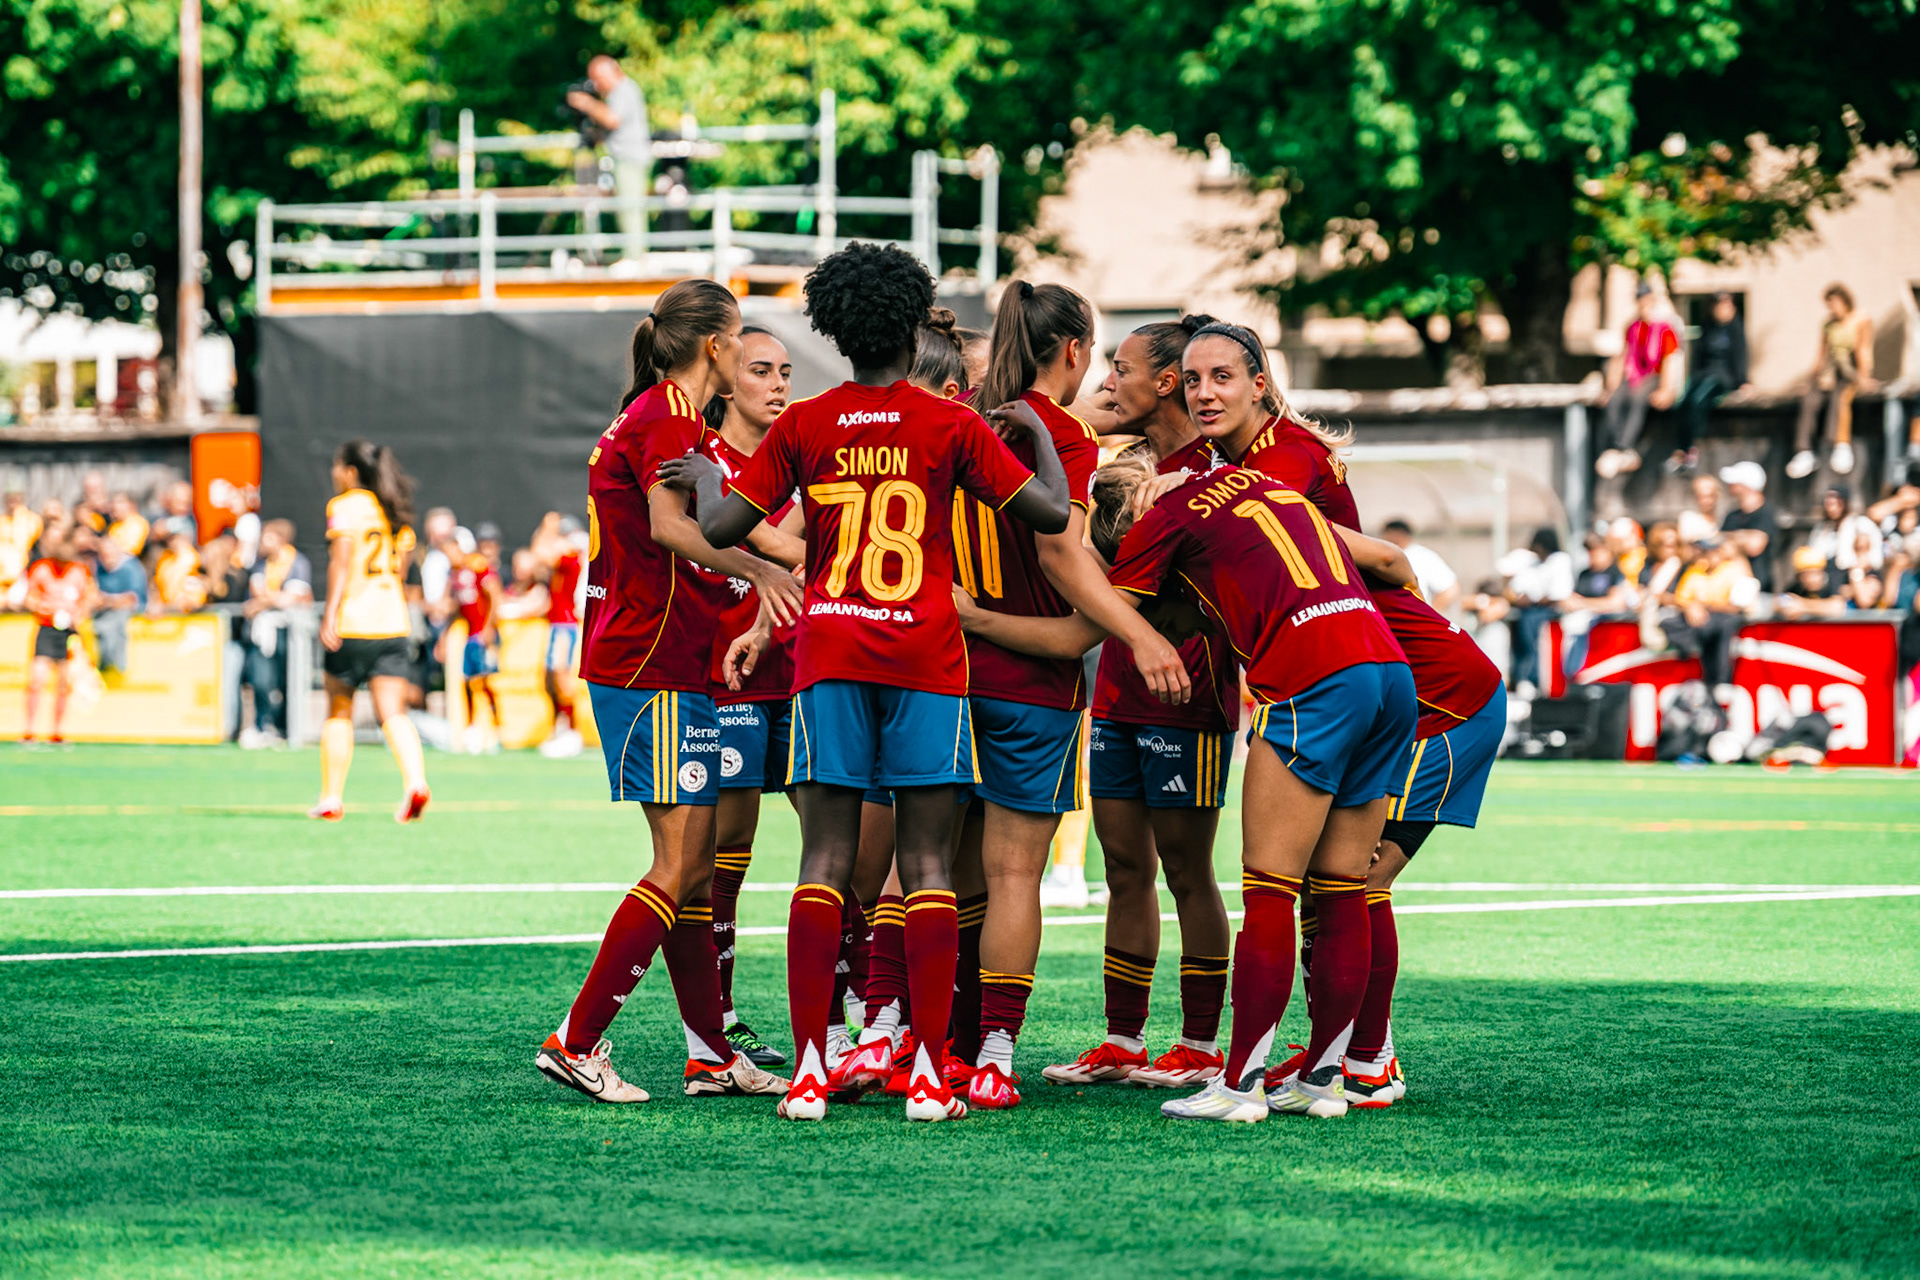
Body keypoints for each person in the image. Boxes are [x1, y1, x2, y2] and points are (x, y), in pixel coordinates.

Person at [660, 243, 1074, 1123]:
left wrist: (705, 474)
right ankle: (930, 1072)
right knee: (924, 864)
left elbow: (730, 523)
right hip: (926, 659)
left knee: (824, 862)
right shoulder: (951, 424)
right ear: (912, 316)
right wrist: (1037, 434)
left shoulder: (805, 423)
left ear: (832, 327)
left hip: (833, 656)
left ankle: (811, 1072)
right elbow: (1052, 513)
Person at [1184, 320, 1493, 1111]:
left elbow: (1391, 562)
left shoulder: (1274, 465)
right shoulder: (1242, 458)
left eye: (1221, 376)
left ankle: (1368, 1057)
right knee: (1336, 885)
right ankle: (1337, 1059)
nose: (1203, 392)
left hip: (1437, 699)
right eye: (1191, 379)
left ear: (1259, 383)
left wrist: (1403, 640)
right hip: (1385, 687)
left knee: (1356, 884)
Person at [534, 278, 799, 1107]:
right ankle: (576, 1041)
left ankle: (712, 1053)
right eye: (744, 348)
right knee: (679, 864)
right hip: (648, 661)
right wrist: (762, 568)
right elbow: (668, 527)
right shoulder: (670, 415)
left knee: (689, 868)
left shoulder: (651, 412)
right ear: (716, 347)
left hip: (653, 658)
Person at [1088, 451, 1415, 1122]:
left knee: (1268, 888)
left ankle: (1239, 1087)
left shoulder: (1165, 519)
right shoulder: (1265, 483)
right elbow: (1385, 562)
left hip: (1312, 675)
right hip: (1387, 670)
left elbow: (1093, 624)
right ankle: (1324, 1081)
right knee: (1342, 885)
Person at [946, 280, 1191, 1112]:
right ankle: (989, 1056)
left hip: (942, 676)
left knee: (938, 875)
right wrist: (1137, 629)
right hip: (1032, 686)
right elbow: (1064, 556)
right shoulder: (1067, 435)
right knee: (1016, 872)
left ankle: (920, 1044)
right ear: (1076, 352)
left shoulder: (960, 421)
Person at [697, 327, 805, 1069]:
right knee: (726, 856)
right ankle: (723, 1016)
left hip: (800, 674)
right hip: (725, 677)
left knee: (854, 847)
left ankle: (854, 1014)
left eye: (786, 372)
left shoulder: (799, 459)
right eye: (760, 370)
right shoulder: (699, 462)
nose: (776, 384)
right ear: (725, 379)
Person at [312, 442, 430, 822]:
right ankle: (415, 783)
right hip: (393, 622)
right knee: (393, 712)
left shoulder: (345, 507)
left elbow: (341, 563)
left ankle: (331, 797)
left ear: (349, 471)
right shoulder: (395, 511)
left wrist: (329, 614)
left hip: (353, 622)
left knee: (339, 709)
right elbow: (398, 572)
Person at [567, 56, 652, 267]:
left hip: (630, 158)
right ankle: (633, 256)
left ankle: (634, 258)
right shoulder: (623, 91)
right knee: (626, 207)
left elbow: (613, 119)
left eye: (597, 79)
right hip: (625, 156)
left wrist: (586, 103)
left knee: (630, 207)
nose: (596, 85)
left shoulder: (623, 90)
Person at [1788, 284, 1874, 479]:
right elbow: (1821, 356)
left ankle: (1840, 445)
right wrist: (1809, 381)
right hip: (1831, 372)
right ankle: (1804, 451)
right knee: (1810, 400)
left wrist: (1864, 376)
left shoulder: (1861, 318)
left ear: (1844, 301)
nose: (1832, 309)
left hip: (1851, 371)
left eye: (1834, 304)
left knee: (1840, 398)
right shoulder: (1828, 324)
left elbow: (1863, 349)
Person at [1596, 282, 1682, 478]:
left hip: (1655, 376)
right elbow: (1622, 356)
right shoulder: (1633, 326)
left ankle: (1625, 447)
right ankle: (1617, 446)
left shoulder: (1665, 327)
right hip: (1634, 375)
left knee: (1638, 398)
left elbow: (1671, 360)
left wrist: (1667, 389)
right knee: (1615, 400)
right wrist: (1611, 388)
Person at [243, 519, 314, 748]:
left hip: (289, 633)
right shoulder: (261, 564)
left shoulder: (297, 563)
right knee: (261, 680)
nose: (263, 542)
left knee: (287, 681)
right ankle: (264, 725)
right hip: (263, 632)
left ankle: (284, 728)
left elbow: (290, 598)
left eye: (268, 537)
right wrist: (273, 599)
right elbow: (262, 593)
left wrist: (264, 602)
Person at [21, 529, 95, 744]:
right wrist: (46, 610)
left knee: (64, 682)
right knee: (37, 678)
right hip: (46, 627)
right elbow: (29, 598)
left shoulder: (79, 572)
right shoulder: (42, 569)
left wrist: (78, 615)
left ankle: (57, 730)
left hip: (68, 631)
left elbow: (89, 598)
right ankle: (29, 729)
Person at [1672, 291, 1748, 473]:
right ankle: (1680, 448)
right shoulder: (1707, 328)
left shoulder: (1735, 328)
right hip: (1704, 374)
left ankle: (1691, 448)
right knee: (1682, 401)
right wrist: (1692, 377)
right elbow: (1697, 357)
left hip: (1723, 378)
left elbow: (1741, 356)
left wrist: (1743, 381)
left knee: (1699, 400)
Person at [534, 514, 589, 758]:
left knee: (562, 676)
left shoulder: (573, 554)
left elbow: (540, 553)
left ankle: (571, 731)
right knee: (553, 678)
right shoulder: (574, 553)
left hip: (566, 623)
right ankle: (562, 727)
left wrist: (547, 528)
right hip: (560, 622)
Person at [449, 522, 505, 754]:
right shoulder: (459, 572)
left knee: (484, 681)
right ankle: (471, 728)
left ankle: (496, 730)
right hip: (471, 635)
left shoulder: (479, 566)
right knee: (467, 681)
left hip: (483, 634)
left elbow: (495, 595)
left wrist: (489, 628)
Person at [1503, 529, 1575, 695]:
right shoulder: (1534, 563)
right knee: (1526, 646)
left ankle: (1535, 679)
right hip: (1529, 614)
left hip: (1549, 614)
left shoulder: (1559, 560)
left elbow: (1558, 593)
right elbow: (1517, 590)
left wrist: (1534, 599)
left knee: (1539, 648)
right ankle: (1523, 678)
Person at [87, 527, 149, 675]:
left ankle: (116, 664)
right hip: (104, 614)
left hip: (129, 617)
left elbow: (133, 599)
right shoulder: (98, 567)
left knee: (115, 622)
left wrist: (108, 601)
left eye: (109, 555)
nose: (106, 560)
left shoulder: (131, 568)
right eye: (103, 556)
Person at [1716, 461, 1781, 594]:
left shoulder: (1767, 513)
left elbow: (1754, 546)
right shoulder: (1732, 516)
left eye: (1735, 481)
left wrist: (1730, 538)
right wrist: (1743, 537)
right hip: (1728, 588)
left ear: (1746, 485)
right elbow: (1719, 544)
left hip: (1759, 587)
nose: (1730, 485)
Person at [1380, 519, 1460, 612]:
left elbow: (1450, 588)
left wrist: (1430, 613)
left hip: (1413, 616)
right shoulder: (1380, 556)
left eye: (1392, 533)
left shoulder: (1422, 556)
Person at [0, 490, 43, 595]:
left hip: (24, 572)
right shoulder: (2, 521)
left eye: (15, 498)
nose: (12, 502)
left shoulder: (31, 520)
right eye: (9, 498)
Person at [1677, 474, 1722, 547]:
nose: (1706, 501)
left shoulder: (1724, 519)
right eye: (1701, 497)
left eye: (1710, 496)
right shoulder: (1688, 518)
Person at [105, 491, 149, 557]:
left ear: (131, 505)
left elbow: (131, 551)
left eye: (120, 502)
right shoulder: (113, 526)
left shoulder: (137, 523)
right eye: (113, 502)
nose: (114, 506)